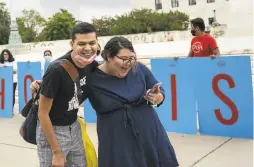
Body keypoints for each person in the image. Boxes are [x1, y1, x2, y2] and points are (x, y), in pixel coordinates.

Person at [31, 36, 179, 167]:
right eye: (123, 59)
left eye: (132, 58)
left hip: (149, 131)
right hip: (116, 139)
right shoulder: (92, 78)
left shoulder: (139, 69)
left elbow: (160, 92)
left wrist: (158, 98)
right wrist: (42, 86)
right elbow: (66, 96)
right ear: (108, 56)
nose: (128, 63)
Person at [35, 22, 99, 167]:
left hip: (74, 126)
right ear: (72, 44)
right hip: (53, 131)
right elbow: (42, 113)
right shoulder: (57, 70)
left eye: (92, 43)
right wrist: (57, 151)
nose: (88, 48)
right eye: (82, 43)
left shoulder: (92, 65)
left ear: (97, 43)